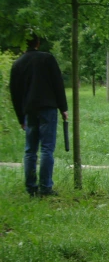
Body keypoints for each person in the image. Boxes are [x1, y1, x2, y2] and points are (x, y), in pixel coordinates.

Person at [10, 34, 68, 197]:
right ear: (38, 43)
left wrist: (21, 118)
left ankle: (31, 187)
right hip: (47, 108)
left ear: (24, 44)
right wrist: (63, 107)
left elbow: (15, 93)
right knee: (47, 148)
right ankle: (45, 187)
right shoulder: (47, 59)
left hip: (29, 110)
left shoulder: (18, 64)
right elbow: (58, 83)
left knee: (30, 150)